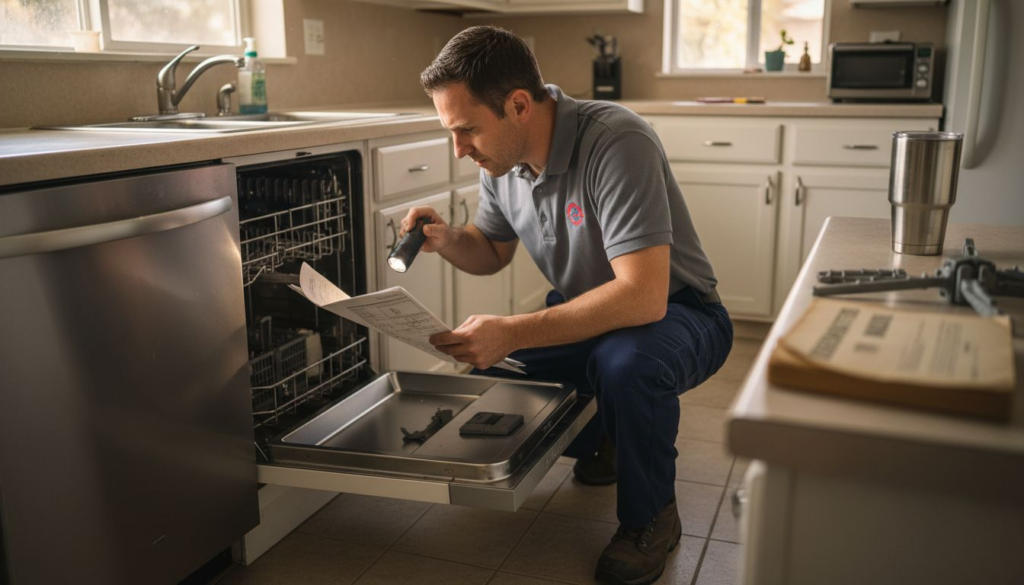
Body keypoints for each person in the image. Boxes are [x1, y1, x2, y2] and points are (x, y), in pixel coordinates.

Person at [402, 26, 734, 585]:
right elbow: (491, 252)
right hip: (592, 312)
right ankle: (607, 433)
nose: (459, 150)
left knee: (625, 366)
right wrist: (448, 239)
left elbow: (643, 295)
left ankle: (652, 519)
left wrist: (514, 328)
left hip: (680, 313)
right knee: (501, 370)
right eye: (451, 133)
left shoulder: (615, 141)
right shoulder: (501, 163)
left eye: (466, 130)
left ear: (518, 106)